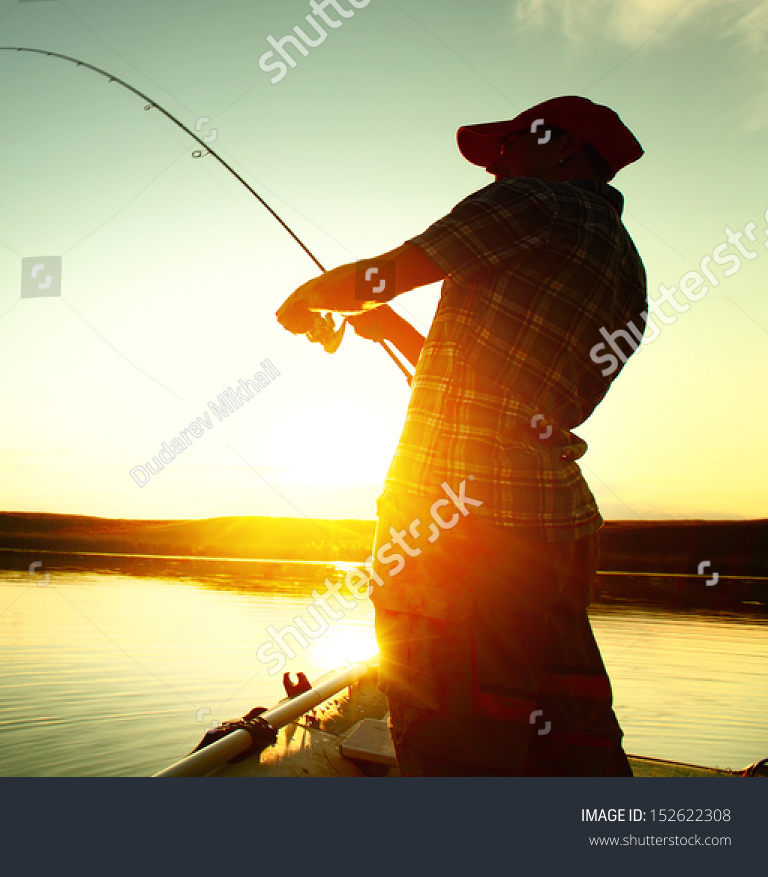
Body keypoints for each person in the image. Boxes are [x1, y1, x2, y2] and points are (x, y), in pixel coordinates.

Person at [275, 96, 646, 776]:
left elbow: (382, 275)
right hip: (557, 532)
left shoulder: (532, 201)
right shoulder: (628, 268)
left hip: (456, 531)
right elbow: (519, 399)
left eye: (511, 147)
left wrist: (305, 298)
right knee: (566, 735)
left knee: (452, 735)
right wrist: (388, 328)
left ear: (563, 147)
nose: (498, 165)